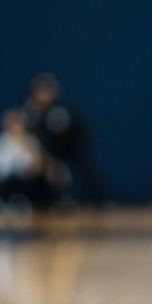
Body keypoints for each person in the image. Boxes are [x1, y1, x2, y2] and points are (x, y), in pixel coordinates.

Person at [24, 73, 109, 208]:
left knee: (86, 170)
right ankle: (53, 200)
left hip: (74, 145)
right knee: (46, 171)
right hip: (55, 150)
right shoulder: (34, 109)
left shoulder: (58, 108)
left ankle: (102, 199)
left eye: (45, 91)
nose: (40, 95)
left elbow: (60, 132)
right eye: (38, 92)